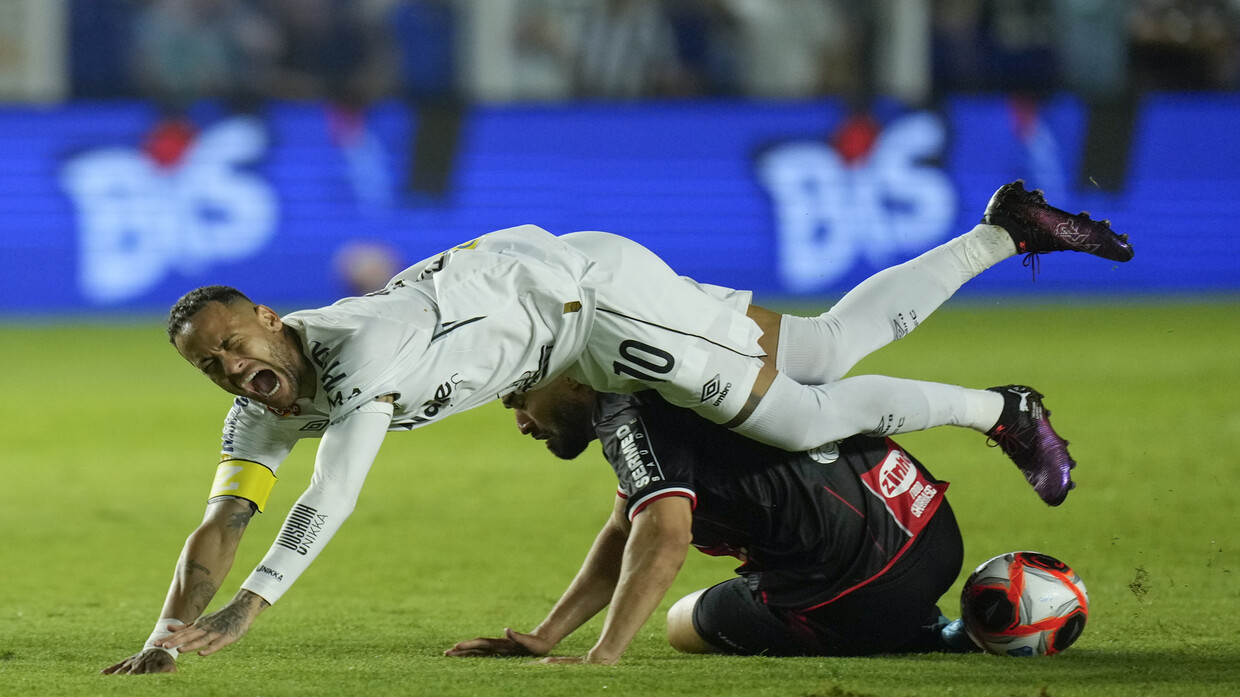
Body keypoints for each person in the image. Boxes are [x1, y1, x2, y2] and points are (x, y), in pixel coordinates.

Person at [103, 181, 1130, 673]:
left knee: (796, 414)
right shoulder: (261, 404)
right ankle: (1005, 231)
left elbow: (337, 486)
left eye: (234, 343)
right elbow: (222, 520)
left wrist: (248, 611)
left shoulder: (360, 348)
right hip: (575, 292)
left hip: (596, 311)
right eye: (211, 366)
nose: (231, 368)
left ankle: (1001, 409)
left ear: (270, 318)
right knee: (820, 346)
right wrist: (165, 636)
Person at [447, 378, 980, 661]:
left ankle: (916, 632)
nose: (521, 422)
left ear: (574, 379)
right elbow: (624, 528)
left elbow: (665, 535)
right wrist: (545, 635)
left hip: (858, 594)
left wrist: (603, 654)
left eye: (519, 399)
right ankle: (943, 620)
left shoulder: (625, 412)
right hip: (931, 527)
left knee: (683, 622)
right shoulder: (675, 361)